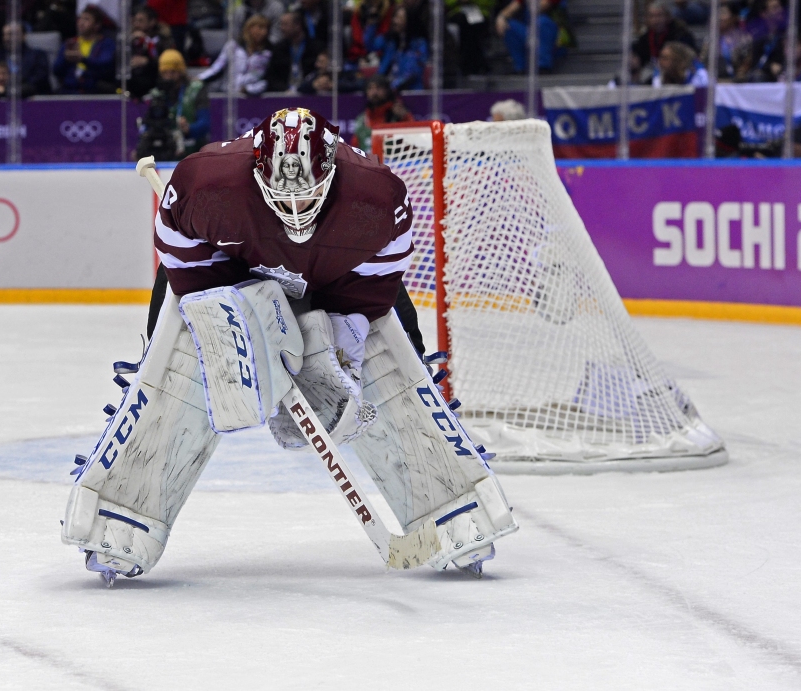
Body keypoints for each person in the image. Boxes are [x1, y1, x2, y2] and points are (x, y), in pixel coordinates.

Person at [64, 107, 515, 585]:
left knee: (397, 362)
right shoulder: (205, 185)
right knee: (177, 365)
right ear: (257, 172)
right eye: (282, 197)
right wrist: (241, 323)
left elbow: (373, 292)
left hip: (340, 279)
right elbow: (182, 263)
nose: (297, 211)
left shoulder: (378, 198)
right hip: (232, 273)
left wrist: (339, 348)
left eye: (310, 197)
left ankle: (454, 508)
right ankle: (119, 518)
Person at [138, 48, 210, 160]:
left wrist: (189, 128)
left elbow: (205, 123)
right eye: (164, 72)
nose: (169, 76)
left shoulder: (196, 89)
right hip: (165, 150)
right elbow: (149, 124)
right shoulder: (157, 94)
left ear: (181, 71)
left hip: (193, 153)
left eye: (173, 72)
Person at [200, 13, 273, 94]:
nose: (263, 32)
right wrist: (200, 78)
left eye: (266, 29)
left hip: (252, 96)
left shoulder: (268, 53)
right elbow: (217, 67)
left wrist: (249, 89)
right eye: (260, 27)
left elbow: (267, 80)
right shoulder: (233, 46)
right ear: (249, 28)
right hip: (228, 94)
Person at [53, 4, 116, 94]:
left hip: (94, 92)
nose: (81, 22)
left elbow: (105, 66)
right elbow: (56, 71)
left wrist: (82, 59)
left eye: (86, 19)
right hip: (69, 91)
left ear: (97, 25)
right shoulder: (70, 43)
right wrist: (66, 59)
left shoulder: (106, 43)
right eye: (80, 19)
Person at [631, 1, 698, 81]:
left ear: (667, 17)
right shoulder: (645, 38)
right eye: (652, 16)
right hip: (653, 72)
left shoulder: (680, 34)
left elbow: (689, 57)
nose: (655, 20)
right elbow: (639, 58)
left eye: (659, 16)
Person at [351, 74, 412, 153]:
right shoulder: (361, 119)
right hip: (366, 164)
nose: (374, 92)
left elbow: (413, 143)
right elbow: (354, 149)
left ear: (387, 90)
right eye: (370, 88)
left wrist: (405, 117)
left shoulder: (398, 116)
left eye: (378, 88)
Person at [263, 11, 321, 92]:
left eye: (285, 24)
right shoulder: (279, 48)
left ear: (298, 25)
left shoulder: (315, 47)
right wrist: (284, 89)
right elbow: (271, 77)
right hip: (284, 94)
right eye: (281, 24)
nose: (282, 28)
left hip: (309, 93)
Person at [373, 5, 427, 91]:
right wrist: (373, 23)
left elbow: (413, 72)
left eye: (400, 18)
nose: (395, 21)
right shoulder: (389, 41)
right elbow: (370, 45)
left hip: (411, 92)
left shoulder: (419, 44)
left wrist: (391, 86)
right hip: (386, 92)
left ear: (409, 21)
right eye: (395, 17)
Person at [0, 22, 51, 95]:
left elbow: (40, 79)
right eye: (5, 35)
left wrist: (12, 88)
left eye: (11, 34)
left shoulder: (38, 55)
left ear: (23, 36)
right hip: (3, 98)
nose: (8, 38)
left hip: (34, 98)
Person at [129, 6, 173, 98]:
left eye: (141, 21)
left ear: (152, 22)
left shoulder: (163, 40)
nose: (137, 24)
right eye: (135, 21)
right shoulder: (130, 40)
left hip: (154, 79)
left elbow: (168, 62)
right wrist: (129, 42)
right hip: (132, 81)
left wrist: (148, 61)